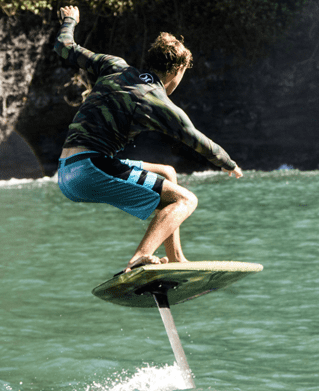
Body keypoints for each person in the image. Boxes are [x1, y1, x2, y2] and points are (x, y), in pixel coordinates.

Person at [53, 6, 243, 273]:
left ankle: (176, 258)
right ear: (177, 69)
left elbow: (64, 46)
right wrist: (228, 163)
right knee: (185, 200)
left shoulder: (114, 66)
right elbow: (197, 140)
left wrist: (70, 20)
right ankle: (141, 256)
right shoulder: (156, 100)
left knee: (168, 172)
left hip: (66, 171)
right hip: (89, 170)